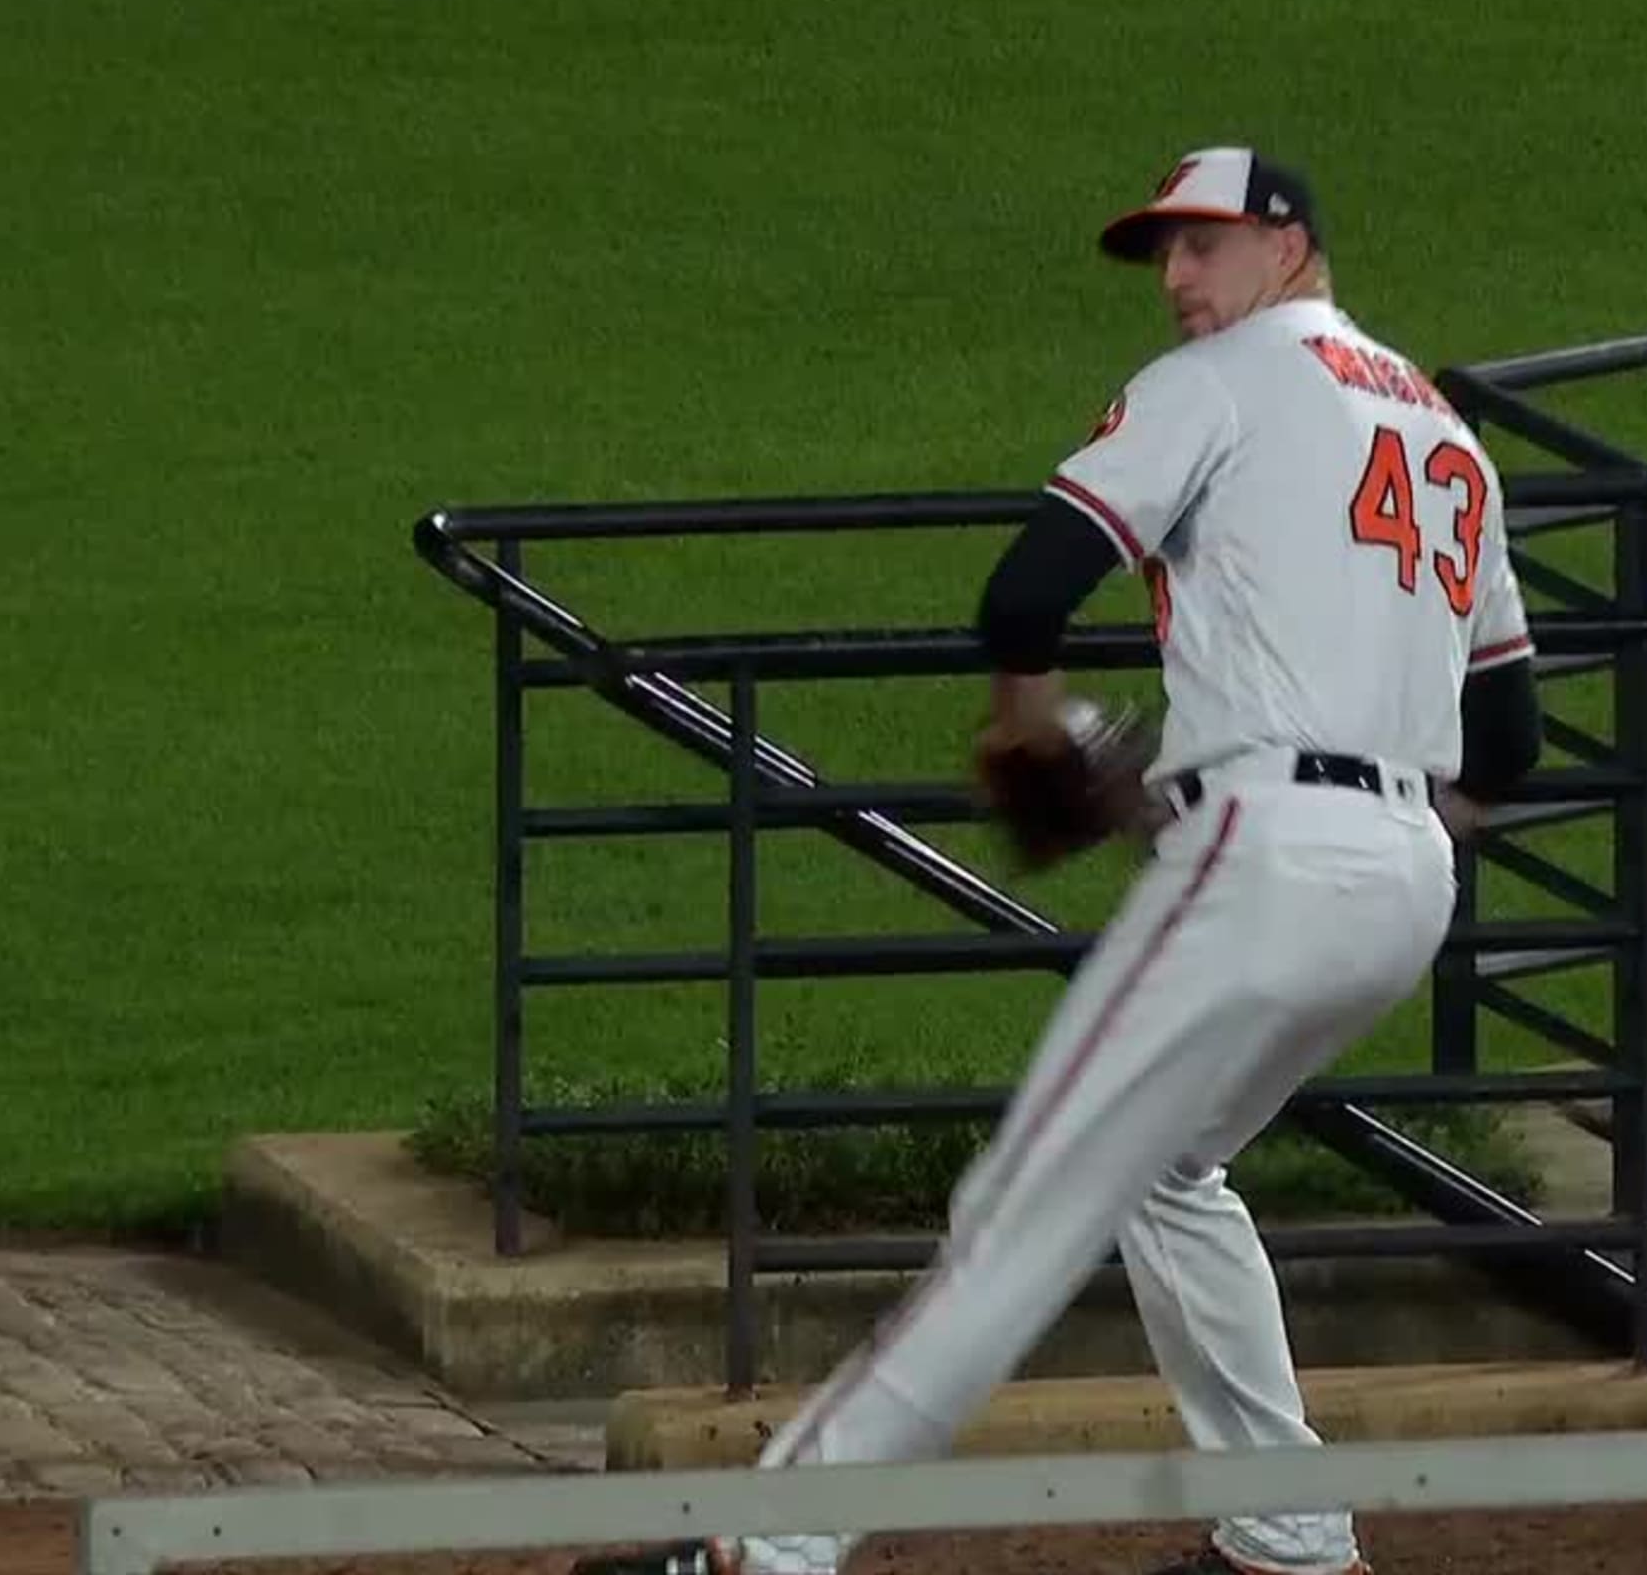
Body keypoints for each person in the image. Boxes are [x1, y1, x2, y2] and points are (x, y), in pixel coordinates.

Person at [599, 147, 1544, 1575]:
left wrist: (1036, 725)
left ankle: (763, 1553)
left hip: (1268, 858)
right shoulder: (1441, 429)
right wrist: (1332, 813)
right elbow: (1513, 740)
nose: (1176, 280)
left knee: (1022, 1206)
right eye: (1162, 255)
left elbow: (1027, 588)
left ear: (1290, 247)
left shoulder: (1220, 384)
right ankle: (1288, 1532)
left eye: (1203, 246)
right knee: (1165, 1167)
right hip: (1407, 877)